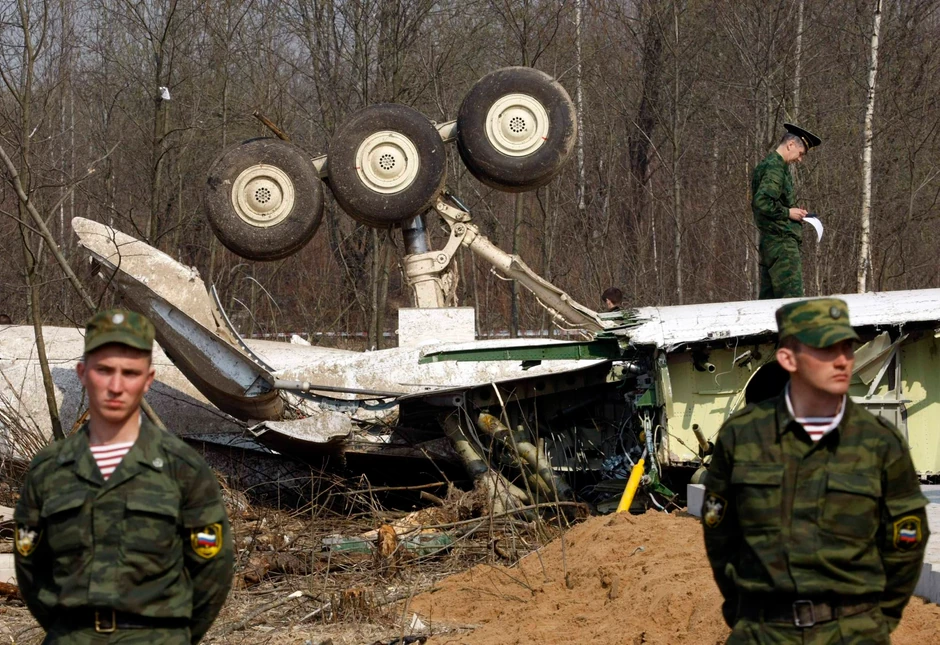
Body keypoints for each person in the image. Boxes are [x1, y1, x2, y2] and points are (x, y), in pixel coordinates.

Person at [702, 298, 928, 644]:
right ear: (787, 358)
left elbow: (906, 542)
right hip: (764, 633)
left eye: (847, 347)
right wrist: (747, 612)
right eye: (825, 349)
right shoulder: (742, 437)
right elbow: (721, 537)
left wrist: (877, 619)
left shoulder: (880, 442)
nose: (842, 360)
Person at [14, 309, 233, 644]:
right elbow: (31, 570)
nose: (116, 387)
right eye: (104, 371)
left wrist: (172, 635)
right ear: (83, 374)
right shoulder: (49, 470)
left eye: (129, 373)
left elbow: (212, 572)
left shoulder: (182, 469)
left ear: (148, 380)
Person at [752, 123, 821, 300]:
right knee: (792, 303)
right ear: (790, 145)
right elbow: (763, 201)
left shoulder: (767, 165)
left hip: (771, 243)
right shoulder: (776, 167)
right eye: (800, 153)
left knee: (769, 305)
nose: (800, 160)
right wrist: (788, 213)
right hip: (782, 244)